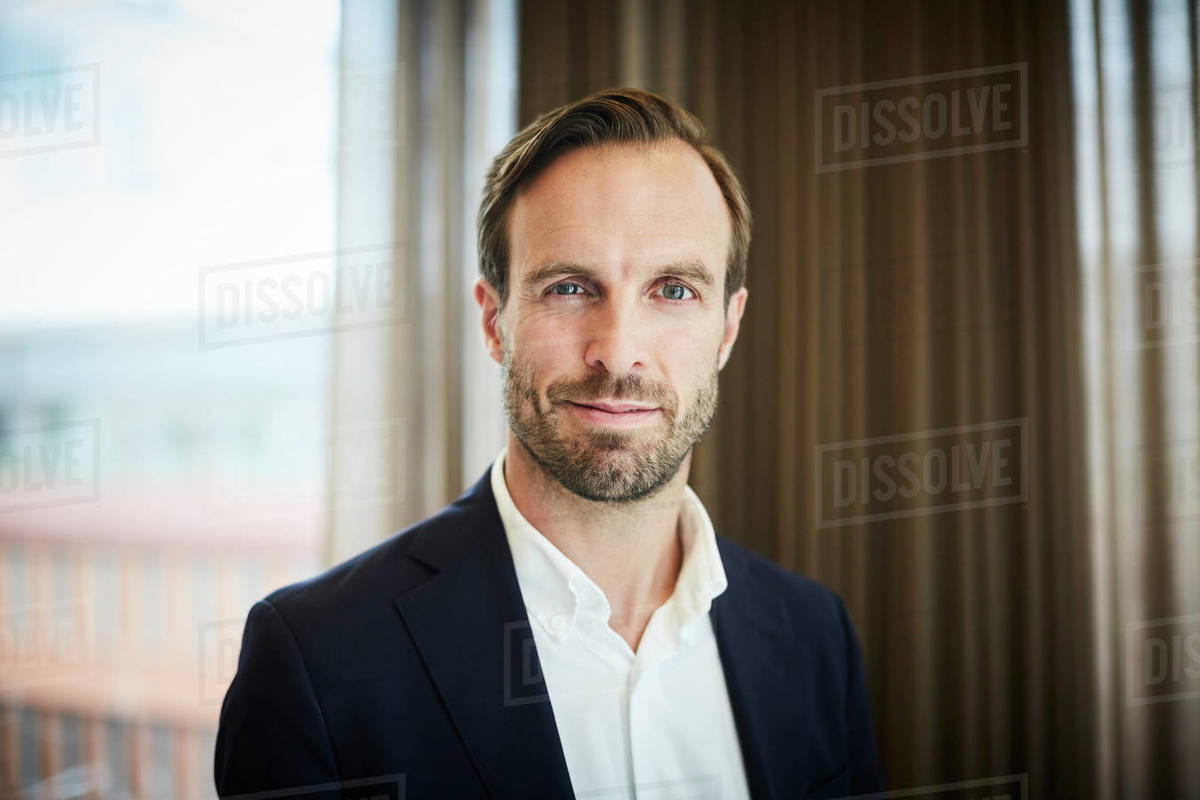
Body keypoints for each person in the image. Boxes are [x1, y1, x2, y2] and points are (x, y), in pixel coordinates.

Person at [215, 87, 882, 800]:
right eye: (568, 287)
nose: (619, 353)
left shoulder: (815, 638)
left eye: (674, 290)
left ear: (728, 327)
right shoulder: (315, 660)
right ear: (494, 321)